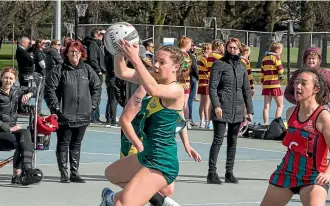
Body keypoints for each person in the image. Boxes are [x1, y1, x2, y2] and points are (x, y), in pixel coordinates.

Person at [100, 42, 200, 206]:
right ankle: (155, 199)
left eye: (162, 62)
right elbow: (121, 71)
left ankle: (120, 199)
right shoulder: (153, 79)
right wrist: (119, 51)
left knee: (123, 203)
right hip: (147, 155)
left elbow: (153, 90)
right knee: (112, 173)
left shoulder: (176, 90)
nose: (156, 65)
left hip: (161, 161)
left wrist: (135, 58)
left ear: (175, 67)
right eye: (155, 61)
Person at [260, 69, 330, 206]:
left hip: (313, 176)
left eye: (304, 83)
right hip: (287, 172)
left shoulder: (324, 118)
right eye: (297, 83)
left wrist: (327, 174)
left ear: (316, 88)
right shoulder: (290, 113)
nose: (298, 86)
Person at [44, 40, 101, 183]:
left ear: (82, 53)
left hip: (83, 114)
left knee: (76, 143)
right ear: (66, 53)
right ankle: (64, 172)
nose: (74, 54)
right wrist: (56, 108)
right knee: (63, 143)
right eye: (71, 51)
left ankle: (74, 172)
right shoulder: (59, 70)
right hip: (64, 115)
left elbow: (97, 88)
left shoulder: (87, 70)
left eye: (77, 51)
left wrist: (92, 105)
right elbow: (49, 90)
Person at [207, 38, 254, 184]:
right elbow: (212, 87)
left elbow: (246, 89)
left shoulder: (242, 66)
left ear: (239, 50)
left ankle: (229, 172)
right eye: (230, 47)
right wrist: (216, 105)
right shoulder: (219, 64)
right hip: (222, 107)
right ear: (226, 48)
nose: (232, 50)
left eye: (235, 48)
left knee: (233, 142)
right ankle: (211, 173)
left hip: (238, 108)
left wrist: (249, 110)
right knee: (218, 140)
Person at [0, 66, 43, 185]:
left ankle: (26, 170)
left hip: (12, 131)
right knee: (22, 141)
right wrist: (8, 128)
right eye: (6, 78)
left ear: (15, 80)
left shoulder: (16, 91)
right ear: (1, 78)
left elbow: (36, 90)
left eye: (11, 78)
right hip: (2, 131)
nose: (8, 81)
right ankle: (19, 174)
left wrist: (29, 94)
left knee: (25, 134)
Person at [284, 47, 330, 113]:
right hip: (303, 108)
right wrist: (298, 100)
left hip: (320, 107)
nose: (311, 60)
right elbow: (287, 93)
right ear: (305, 60)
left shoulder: (325, 74)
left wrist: (321, 100)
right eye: (309, 58)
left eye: (314, 58)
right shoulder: (298, 73)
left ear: (318, 60)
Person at [261, 43, 284, 125]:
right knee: (280, 105)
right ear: (277, 50)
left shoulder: (264, 58)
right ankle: (276, 124)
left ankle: (266, 123)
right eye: (281, 50)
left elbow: (262, 72)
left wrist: (263, 80)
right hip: (275, 84)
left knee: (266, 107)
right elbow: (280, 71)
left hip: (266, 85)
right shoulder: (276, 57)